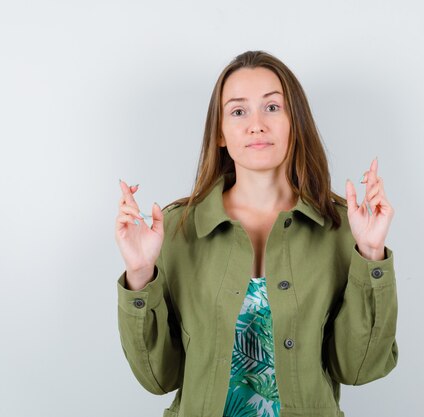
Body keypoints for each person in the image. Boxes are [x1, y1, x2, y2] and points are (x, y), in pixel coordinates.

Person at [114, 50, 398, 417]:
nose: (256, 125)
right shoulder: (175, 230)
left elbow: (359, 368)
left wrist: (372, 254)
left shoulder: (342, 228)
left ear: (295, 120)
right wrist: (139, 276)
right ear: (220, 132)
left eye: (272, 107)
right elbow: (157, 378)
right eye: (238, 111)